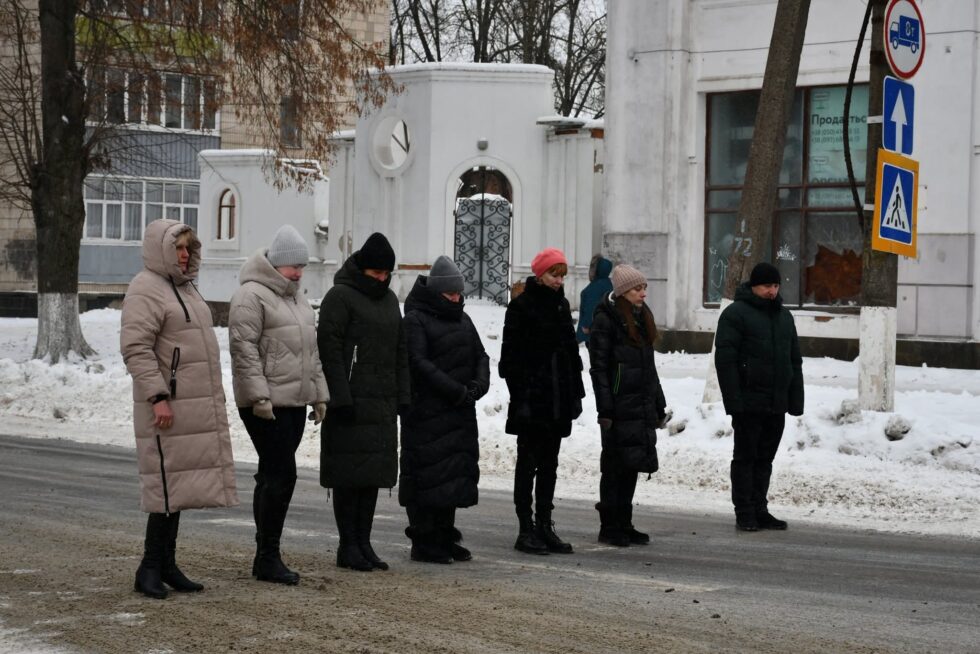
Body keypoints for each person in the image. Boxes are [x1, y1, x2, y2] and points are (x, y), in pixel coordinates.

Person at [120, 219, 239, 599]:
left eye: (189, 247)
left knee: (179, 487)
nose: (185, 255)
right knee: (164, 485)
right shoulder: (146, 289)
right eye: (178, 248)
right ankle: (149, 567)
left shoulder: (186, 289)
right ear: (161, 249)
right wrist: (157, 397)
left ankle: (167, 564)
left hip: (190, 405)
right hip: (165, 407)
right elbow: (136, 349)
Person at [229, 225, 329, 585]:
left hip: (293, 403)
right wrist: (259, 397)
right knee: (282, 475)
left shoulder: (297, 300)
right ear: (275, 263)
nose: (299, 273)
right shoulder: (250, 296)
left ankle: (264, 556)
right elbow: (243, 350)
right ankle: (268, 556)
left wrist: (319, 394)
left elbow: (311, 354)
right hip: (264, 404)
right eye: (293, 266)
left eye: (302, 267)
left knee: (273, 475)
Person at [317, 232, 410, 571]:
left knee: (371, 476)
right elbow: (329, 350)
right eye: (376, 273)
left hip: (381, 402)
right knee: (348, 476)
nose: (382, 279)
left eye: (386, 274)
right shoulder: (339, 297)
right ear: (362, 269)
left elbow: (400, 351)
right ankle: (348, 545)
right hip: (350, 403)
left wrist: (403, 395)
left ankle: (364, 543)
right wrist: (340, 397)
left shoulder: (389, 301)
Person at [400, 256, 490, 564]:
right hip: (427, 413)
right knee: (428, 477)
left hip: (458, 412)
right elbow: (419, 363)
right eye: (450, 293)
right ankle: (424, 541)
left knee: (451, 477)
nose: (456, 298)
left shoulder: (463, 319)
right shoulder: (415, 320)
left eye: (458, 293)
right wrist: (456, 391)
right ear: (436, 292)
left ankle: (445, 537)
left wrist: (478, 385)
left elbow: (481, 355)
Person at [500, 247, 585, 554]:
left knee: (550, 464)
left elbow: (571, 354)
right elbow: (510, 360)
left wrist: (576, 394)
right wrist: (521, 396)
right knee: (528, 464)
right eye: (553, 274)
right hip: (531, 401)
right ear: (539, 274)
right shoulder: (521, 307)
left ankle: (544, 526)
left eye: (562, 275)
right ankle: (525, 528)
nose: (559, 281)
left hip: (558, 400)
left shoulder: (562, 305)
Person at [714, 261, 804, 532]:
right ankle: (744, 512)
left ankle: (760, 509)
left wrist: (795, 401)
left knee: (765, 459)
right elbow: (725, 362)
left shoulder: (784, 317)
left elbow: (794, 361)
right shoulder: (735, 314)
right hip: (748, 403)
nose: (772, 291)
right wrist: (734, 403)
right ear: (754, 286)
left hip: (776, 403)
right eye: (767, 286)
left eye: (775, 286)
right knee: (745, 459)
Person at [587, 264, 667, 547]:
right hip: (618, 405)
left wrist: (658, 402)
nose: (643, 293)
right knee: (614, 466)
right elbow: (598, 369)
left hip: (639, 402)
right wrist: (606, 409)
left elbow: (649, 366)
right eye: (637, 289)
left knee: (632, 464)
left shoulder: (641, 316)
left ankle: (625, 523)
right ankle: (609, 526)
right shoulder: (605, 319)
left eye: (644, 288)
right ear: (622, 292)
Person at [576, 255, 614, 343]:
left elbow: (591, 306)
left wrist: (587, 325)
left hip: (593, 332)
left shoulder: (595, 287)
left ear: (596, 270)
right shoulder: (608, 284)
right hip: (604, 330)